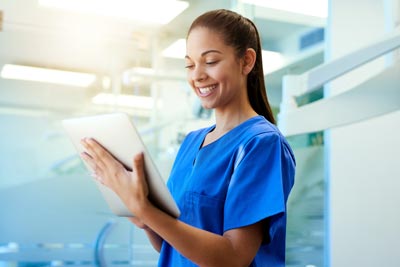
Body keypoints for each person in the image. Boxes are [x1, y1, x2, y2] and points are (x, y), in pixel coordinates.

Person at [81, 9, 295, 267]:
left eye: (211, 61)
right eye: (190, 65)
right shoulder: (191, 143)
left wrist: (147, 211)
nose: (197, 75)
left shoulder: (261, 143)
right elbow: (170, 247)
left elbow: (234, 257)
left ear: (246, 61)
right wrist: (144, 219)